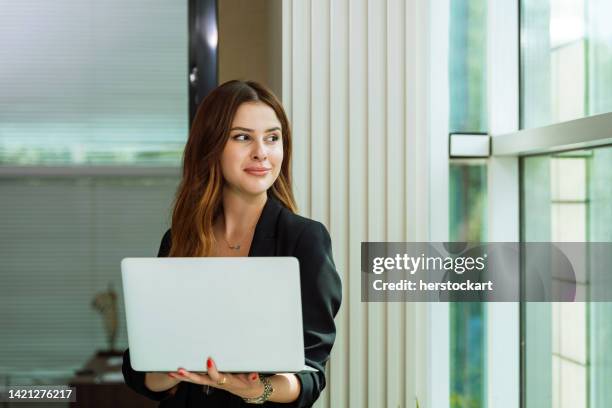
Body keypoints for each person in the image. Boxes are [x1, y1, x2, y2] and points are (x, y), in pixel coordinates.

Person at [122, 80, 342, 407]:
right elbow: (143, 366)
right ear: (211, 147)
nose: (261, 152)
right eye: (242, 137)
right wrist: (177, 370)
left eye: (272, 138)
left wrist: (253, 390)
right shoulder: (179, 239)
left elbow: (311, 373)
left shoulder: (303, 239)